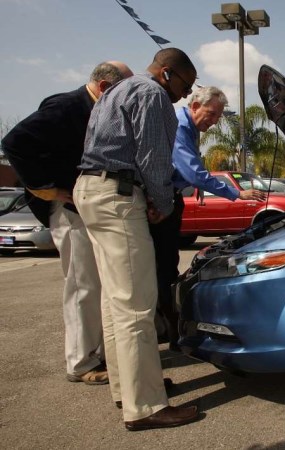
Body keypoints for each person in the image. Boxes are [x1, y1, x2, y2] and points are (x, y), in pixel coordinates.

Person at [74, 48, 199, 431]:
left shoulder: (117, 90)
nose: (184, 96)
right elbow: (154, 154)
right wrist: (161, 202)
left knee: (115, 303)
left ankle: (125, 389)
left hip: (90, 191)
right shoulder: (152, 94)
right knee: (136, 307)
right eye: (184, 85)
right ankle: (145, 406)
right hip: (118, 196)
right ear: (166, 73)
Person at [1, 61, 133, 386]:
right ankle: (81, 362)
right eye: (123, 92)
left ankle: (97, 352)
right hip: (69, 209)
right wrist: (49, 190)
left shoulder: (95, 109)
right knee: (82, 284)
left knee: (97, 283)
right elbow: (15, 143)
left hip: (89, 207)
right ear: (104, 87)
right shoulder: (66, 106)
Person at [151, 86, 264, 351]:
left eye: (217, 117)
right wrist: (236, 193)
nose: (213, 121)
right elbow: (193, 173)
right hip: (161, 203)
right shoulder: (180, 127)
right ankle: (170, 334)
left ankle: (166, 330)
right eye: (211, 114)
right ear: (194, 106)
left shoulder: (189, 129)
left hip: (169, 199)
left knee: (165, 267)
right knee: (162, 270)